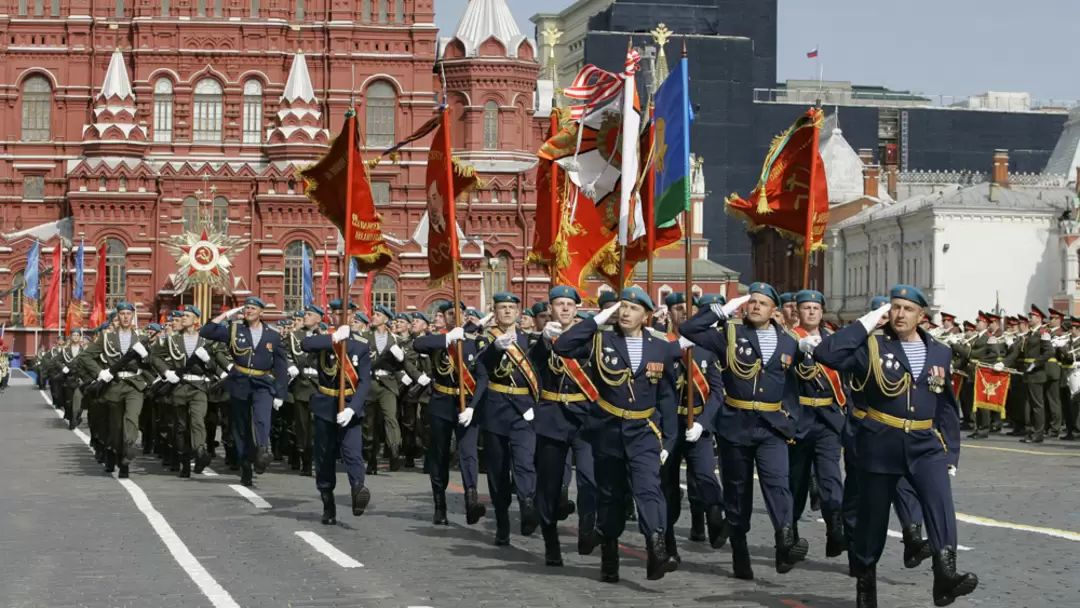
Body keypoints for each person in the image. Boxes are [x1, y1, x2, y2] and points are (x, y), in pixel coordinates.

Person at [811, 285, 977, 608]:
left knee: (941, 504)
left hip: (925, 444)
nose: (900, 314)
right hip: (880, 442)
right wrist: (866, 322)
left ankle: (945, 576)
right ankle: (865, 581)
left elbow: (945, 405)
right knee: (873, 521)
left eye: (907, 309)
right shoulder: (871, 345)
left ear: (921, 316)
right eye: (895, 307)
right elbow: (825, 353)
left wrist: (951, 452)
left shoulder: (939, 351)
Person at [680, 283, 806, 579]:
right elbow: (689, 329)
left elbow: (794, 386)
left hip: (772, 426)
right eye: (752, 302)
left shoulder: (789, 342)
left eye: (762, 302)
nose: (755, 307)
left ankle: (785, 541)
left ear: (774, 310)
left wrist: (792, 418)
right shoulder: (730, 334)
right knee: (737, 492)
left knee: (778, 483)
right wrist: (720, 311)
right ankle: (740, 551)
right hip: (735, 424)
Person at [552, 287, 679, 582]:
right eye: (621, 307)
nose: (625, 312)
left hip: (644, 431)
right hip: (607, 428)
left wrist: (669, 439)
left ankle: (656, 547)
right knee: (610, 496)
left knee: (649, 489)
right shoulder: (601, 339)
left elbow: (667, 396)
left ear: (646, 315)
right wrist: (597, 320)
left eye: (633, 309)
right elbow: (562, 347)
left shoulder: (660, 345)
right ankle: (609, 554)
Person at [839, 297, 932, 576]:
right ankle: (859, 553)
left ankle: (913, 536)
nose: (886, 323)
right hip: (862, 430)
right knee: (858, 495)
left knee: (905, 484)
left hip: (896, 434)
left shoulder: (907, 350)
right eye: (881, 317)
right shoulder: (861, 349)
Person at [655, 292, 729, 564]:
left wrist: (702, 423)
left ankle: (716, 517)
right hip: (669, 426)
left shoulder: (708, 347)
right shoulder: (660, 344)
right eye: (677, 309)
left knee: (707, 476)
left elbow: (717, 392)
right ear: (669, 313)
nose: (684, 314)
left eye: (691, 309)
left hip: (697, 424)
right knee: (668, 488)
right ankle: (669, 545)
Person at [530, 286, 598, 565]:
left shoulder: (590, 339)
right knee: (550, 483)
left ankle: (587, 528)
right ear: (550, 309)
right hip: (552, 416)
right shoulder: (541, 340)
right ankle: (550, 541)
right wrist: (544, 343)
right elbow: (532, 366)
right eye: (559, 304)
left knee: (589, 478)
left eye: (570, 304)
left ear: (577, 308)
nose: (565, 309)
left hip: (584, 416)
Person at [411, 301, 488, 526]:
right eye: (451, 314)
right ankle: (439, 504)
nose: (456, 317)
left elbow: (483, 376)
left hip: (467, 404)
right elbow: (418, 344)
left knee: (468, 453)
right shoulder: (438, 340)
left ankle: (471, 500)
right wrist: (447, 339)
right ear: (444, 317)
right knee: (439, 454)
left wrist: (473, 406)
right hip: (442, 402)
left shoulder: (476, 341)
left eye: (459, 313)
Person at [200, 297, 288, 486]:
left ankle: (263, 450)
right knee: (241, 427)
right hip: (240, 382)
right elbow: (206, 331)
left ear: (261, 312)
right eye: (246, 308)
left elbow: (281, 366)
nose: (249, 311)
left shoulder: (272, 335)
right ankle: (246, 463)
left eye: (253, 308)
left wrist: (281, 393)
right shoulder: (234, 330)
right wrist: (226, 314)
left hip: (262, 382)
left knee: (262, 418)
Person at [788, 290, 846, 558]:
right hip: (799, 420)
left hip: (827, 420)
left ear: (822, 312)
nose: (811, 312)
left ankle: (836, 530)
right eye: (806, 308)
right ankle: (791, 535)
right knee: (796, 481)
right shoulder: (788, 340)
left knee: (830, 475)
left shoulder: (833, 340)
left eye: (815, 308)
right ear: (797, 312)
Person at [301, 322, 373, 524]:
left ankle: (358, 488)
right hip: (325, 405)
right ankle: (328, 503)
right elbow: (305, 344)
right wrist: (332, 339)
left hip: (349, 405)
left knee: (353, 452)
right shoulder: (325, 341)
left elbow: (365, 381)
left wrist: (353, 408)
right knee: (323, 457)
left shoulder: (361, 345)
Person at [82, 302, 153, 478]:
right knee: (116, 427)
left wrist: (145, 355)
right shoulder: (106, 338)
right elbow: (86, 356)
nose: (126, 317)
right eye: (122, 314)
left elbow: (150, 362)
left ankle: (128, 451)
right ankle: (118, 456)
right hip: (113, 385)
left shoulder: (140, 338)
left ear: (133, 316)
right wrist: (100, 372)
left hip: (134, 385)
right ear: (117, 316)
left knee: (132, 418)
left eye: (129, 313)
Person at [150, 305, 217, 477]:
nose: (184, 317)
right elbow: (153, 356)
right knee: (180, 427)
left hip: (199, 387)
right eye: (184, 315)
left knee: (197, 420)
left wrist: (208, 360)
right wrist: (166, 372)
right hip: (179, 387)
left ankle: (200, 452)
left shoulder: (206, 341)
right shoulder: (171, 340)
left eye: (188, 315)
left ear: (196, 320)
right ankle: (184, 460)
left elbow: (215, 365)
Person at [363, 305, 408, 473]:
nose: (373, 317)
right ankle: (371, 457)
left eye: (378, 314)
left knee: (391, 418)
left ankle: (394, 450)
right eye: (374, 313)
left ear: (386, 320)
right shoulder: (365, 337)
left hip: (388, 384)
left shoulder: (396, 340)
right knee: (369, 424)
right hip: (370, 383)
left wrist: (401, 360)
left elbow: (402, 363)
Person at [285, 306, 323, 475]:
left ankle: (315, 458)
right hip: (301, 385)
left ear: (319, 319)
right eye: (305, 314)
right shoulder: (295, 336)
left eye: (309, 315)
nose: (305, 317)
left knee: (317, 426)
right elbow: (285, 354)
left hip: (319, 386)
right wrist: (291, 366)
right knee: (302, 426)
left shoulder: (326, 337)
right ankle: (304, 459)